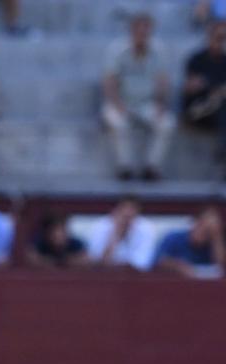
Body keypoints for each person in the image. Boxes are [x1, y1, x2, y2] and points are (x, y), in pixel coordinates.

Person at [101, 12, 175, 181]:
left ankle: (151, 167)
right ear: (131, 30)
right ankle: (124, 167)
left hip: (147, 103)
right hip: (121, 101)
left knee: (167, 123)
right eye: (139, 31)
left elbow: (163, 81)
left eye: (146, 31)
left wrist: (160, 104)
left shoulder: (159, 50)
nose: (143, 35)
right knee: (118, 122)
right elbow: (109, 82)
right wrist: (117, 105)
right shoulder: (117, 50)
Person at [183, 20, 226, 176]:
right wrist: (215, 89)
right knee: (219, 104)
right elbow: (190, 88)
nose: (220, 41)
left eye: (223, 38)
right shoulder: (196, 60)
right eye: (218, 37)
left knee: (221, 106)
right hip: (196, 111)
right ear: (209, 36)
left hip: (218, 112)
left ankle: (223, 153)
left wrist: (213, 88)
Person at [84, 197, 158, 270]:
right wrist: (116, 234)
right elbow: (96, 261)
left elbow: (142, 263)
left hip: (134, 277)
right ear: (116, 210)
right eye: (124, 209)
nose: (127, 213)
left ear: (137, 212)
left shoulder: (145, 228)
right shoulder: (102, 226)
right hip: (105, 275)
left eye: (132, 210)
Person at [152, 207, 225, 278]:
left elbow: (222, 268)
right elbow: (159, 260)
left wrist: (216, 237)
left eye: (208, 231)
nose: (203, 231)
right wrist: (179, 266)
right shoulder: (174, 237)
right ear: (195, 222)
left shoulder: (214, 245)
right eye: (201, 225)